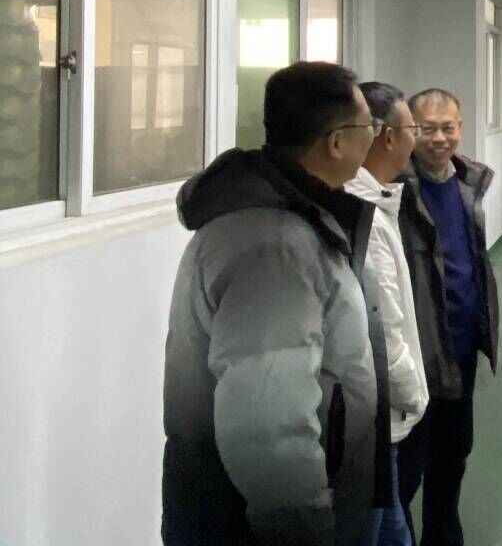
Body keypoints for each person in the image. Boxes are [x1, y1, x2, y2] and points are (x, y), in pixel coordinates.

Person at [162, 61, 390, 546]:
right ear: (336, 142)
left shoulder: (299, 221)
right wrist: (303, 531)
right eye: (368, 125)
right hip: (254, 527)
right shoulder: (276, 247)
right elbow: (268, 429)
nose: (375, 136)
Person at [396, 88, 499, 546]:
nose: (439, 138)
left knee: (453, 452)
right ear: (410, 129)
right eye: (427, 128)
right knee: (408, 463)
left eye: (448, 128)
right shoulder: (395, 189)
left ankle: (442, 536)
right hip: (417, 351)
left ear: (460, 128)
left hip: (461, 346)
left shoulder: (467, 183)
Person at [345, 83, 430, 546]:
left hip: (380, 410)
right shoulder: (367, 218)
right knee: (388, 529)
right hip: (382, 414)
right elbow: (385, 326)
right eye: (414, 128)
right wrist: (414, 394)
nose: (419, 139)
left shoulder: (377, 202)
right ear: (389, 136)